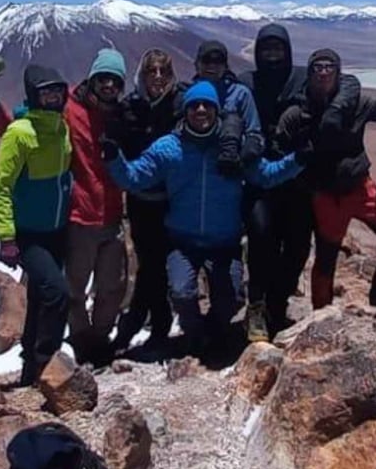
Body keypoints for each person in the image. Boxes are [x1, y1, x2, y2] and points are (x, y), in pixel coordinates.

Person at [105, 81, 305, 359]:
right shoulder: (169, 149)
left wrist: (299, 159)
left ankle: (214, 331)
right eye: (194, 105)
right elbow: (134, 177)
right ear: (185, 111)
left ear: (216, 111)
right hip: (183, 242)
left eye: (207, 105)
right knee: (182, 293)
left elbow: (267, 174)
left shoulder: (231, 148)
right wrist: (114, 157)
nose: (201, 110)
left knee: (232, 299)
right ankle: (195, 336)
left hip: (224, 243)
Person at [0, 51, 129, 365]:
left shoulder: (122, 114)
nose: (108, 85)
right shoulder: (67, 109)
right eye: (103, 78)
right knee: (73, 291)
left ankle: (100, 339)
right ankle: (81, 345)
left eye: (115, 81)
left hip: (113, 217)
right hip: (80, 218)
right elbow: (23, 130)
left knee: (112, 288)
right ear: (91, 79)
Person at [240, 25, 362, 339]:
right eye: (266, 49)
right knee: (261, 238)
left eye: (277, 49)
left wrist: (335, 108)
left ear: (288, 50)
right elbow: (214, 90)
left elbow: (345, 81)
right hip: (260, 178)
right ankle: (256, 306)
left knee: (296, 248)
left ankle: (277, 306)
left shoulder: (300, 77)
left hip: (299, 178)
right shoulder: (246, 82)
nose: (271, 55)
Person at [277, 51, 376, 310]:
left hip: (361, 188)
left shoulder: (356, 104)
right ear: (310, 73)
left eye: (330, 67)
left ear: (338, 72)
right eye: (318, 67)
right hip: (325, 196)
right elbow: (280, 143)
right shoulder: (298, 113)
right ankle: (321, 313)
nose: (324, 72)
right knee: (326, 259)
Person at [0, 65, 75, 386]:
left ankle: (29, 371)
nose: (53, 97)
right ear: (33, 96)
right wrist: (7, 237)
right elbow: (0, 185)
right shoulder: (20, 133)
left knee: (41, 297)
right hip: (29, 235)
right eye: (45, 92)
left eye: (57, 90)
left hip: (57, 230)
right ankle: (46, 362)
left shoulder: (61, 128)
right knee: (57, 293)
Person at [108, 48, 186, 355]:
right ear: (142, 75)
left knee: (162, 264)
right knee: (150, 264)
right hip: (140, 200)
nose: (157, 78)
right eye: (151, 71)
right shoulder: (129, 108)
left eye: (163, 72)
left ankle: (146, 324)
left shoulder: (180, 105)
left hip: (171, 199)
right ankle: (155, 324)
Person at [192, 40, 263, 178]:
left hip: (232, 165)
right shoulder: (188, 94)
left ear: (226, 66)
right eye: (207, 61)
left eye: (218, 61)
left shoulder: (240, 93)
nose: (212, 66)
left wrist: (246, 154)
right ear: (197, 65)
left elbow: (254, 132)